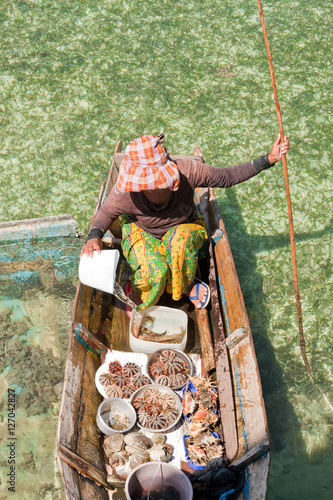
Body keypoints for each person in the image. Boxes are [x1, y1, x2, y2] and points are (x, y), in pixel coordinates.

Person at [80, 133, 289, 311]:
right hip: (143, 232)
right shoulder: (126, 191)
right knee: (155, 273)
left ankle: (186, 285)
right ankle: (136, 288)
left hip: (183, 228)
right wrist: (93, 237)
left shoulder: (189, 172)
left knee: (179, 242)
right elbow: (105, 213)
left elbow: (227, 177)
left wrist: (268, 160)